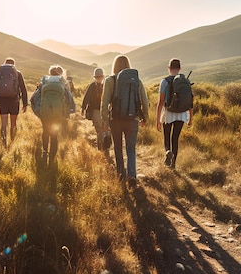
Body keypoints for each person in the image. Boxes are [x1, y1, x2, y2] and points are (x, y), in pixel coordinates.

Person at [101, 55, 149, 188]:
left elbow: (104, 103)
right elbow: (145, 102)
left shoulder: (110, 80)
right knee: (131, 148)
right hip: (132, 119)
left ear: (114, 66)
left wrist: (104, 120)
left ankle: (121, 175)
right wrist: (145, 118)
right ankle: (132, 175)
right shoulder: (136, 80)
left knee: (117, 147)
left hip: (115, 119)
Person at [155, 58, 193, 169]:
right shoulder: (185, 81)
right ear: (180, 68)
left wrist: (158, 120)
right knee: (175, 138)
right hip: (182, 113)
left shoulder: (165, 81)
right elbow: (189, 101)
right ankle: (173, 165)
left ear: (169, 68)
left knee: (167, 136)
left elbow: (161, 102)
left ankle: (168, 152)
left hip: (168, 113)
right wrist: (190, 117)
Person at [0, 57, 28, 148]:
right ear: (14, 65)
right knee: (13, 123)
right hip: (14, 101)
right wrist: (25, 104)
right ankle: (12, 143)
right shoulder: (18, 73)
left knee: (3, 124)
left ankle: (3, 145)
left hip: (2, 101)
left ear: (5, 64)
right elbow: (23, 89)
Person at [38, 65, 71, 166]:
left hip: (45, 112)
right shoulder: (62, 82)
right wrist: (67, 112)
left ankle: (44, 152)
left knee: (45, 131)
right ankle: (52, 158)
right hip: (57, 113)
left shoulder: (44, 80)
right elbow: (68, 98)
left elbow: (37, 96)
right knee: (54, 134)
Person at [81, 67, 106, 150]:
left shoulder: (106, 85)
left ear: (103, 76)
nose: (98, 78)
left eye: (100, 77)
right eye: (97, 77)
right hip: (95, 110)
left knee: (105, 128)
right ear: (94, 77)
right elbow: (86, 97)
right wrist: (83, 108)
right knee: (99, 129)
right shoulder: (92, 86)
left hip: (105, 110)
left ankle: (105, 145)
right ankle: (101, 147)